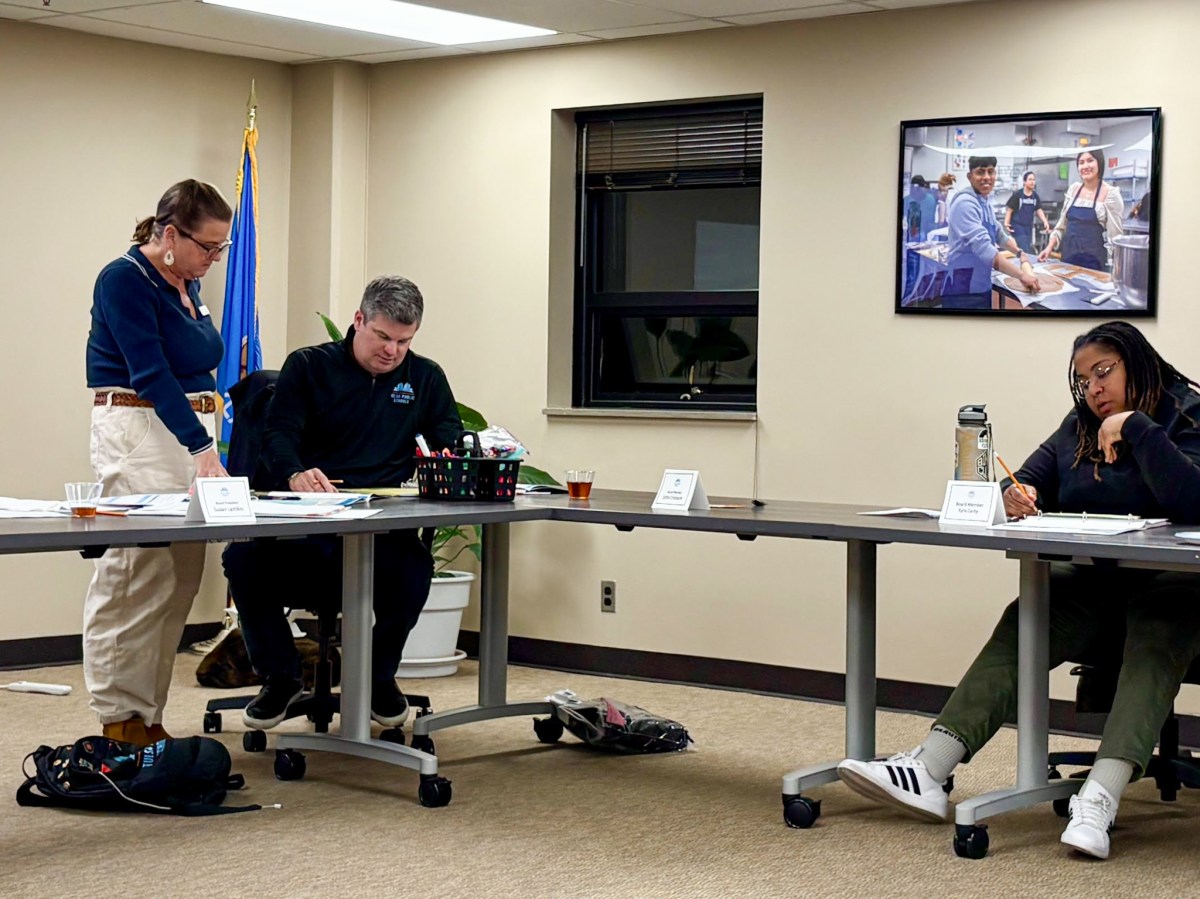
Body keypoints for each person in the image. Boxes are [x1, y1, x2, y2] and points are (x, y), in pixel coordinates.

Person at [837, 321, 1200, 860]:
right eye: (1085, 379)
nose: (1095, 389)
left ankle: (1100, 795)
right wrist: (1015, 492)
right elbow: (1027, 477)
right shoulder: (1078, 427)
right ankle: (929, 767)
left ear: (1138, 364)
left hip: (1179, 590)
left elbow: (1192, 500)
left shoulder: (1186, 414)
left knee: (1157, 629)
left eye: (1105, 373)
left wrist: (1138, 428)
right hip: (1100, 585)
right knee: (1030, 609)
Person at [222, 276, 463, 730]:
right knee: (244, 560)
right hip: (308, 526)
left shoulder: (425, 378)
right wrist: (296, 473)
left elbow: (448, 443)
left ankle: (375, 675)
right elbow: (278, 435)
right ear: (358, 321)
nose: (392, 351)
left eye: (404, 341)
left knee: (415, 570)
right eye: (383, 337)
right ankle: (281, 676)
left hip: (382, 530)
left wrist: (451, 461)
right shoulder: (309, 367)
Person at [84, 180, 233, 746]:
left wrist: (204, 445)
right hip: (140, 430)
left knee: (179, 580)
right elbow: (149, 372)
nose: (213, 260)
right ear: (170, 234)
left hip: (192, 431)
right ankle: (118, 714)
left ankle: (149, 711)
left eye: (221, 251)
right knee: (133, 576)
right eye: (206, 247)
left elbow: (202, 366)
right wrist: (202, 450)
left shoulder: (187, 284)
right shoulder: (123, 279)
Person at [943, 156, 1040, 308]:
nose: (986, 177)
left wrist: (1020, 253)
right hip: (963, 287)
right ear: (970, 177)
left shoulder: (984, 201)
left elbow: (998, 233)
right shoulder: (965, 203)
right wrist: (1022, 275)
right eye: (980, 172)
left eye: (990, 172)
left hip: (980, 282)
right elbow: (985, 250)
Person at [1039, 149, 1125, 271]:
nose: (1085, 166)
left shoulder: (1110, 194)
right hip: (1068, 256)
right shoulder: (1074, 189)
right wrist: (1048, 249)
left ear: (1099, 163)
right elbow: (1060, 227)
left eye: (1090, 161)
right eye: (1081, 162)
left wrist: (1117, 268)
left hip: (1093, 261)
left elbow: (1115, 237)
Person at [1004, 171, 1052, 254]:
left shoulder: (1035, 196)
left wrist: (1045, 221)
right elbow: (1009, 209)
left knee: (1026, 246)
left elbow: (1039, 209)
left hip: (1028, 226)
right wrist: (1006, 223)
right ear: (1024, 182)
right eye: (1030, 179)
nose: (1032, 182)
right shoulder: (1018, 195)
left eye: (1034, 179)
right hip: (1017, 225)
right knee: (1024, 247)